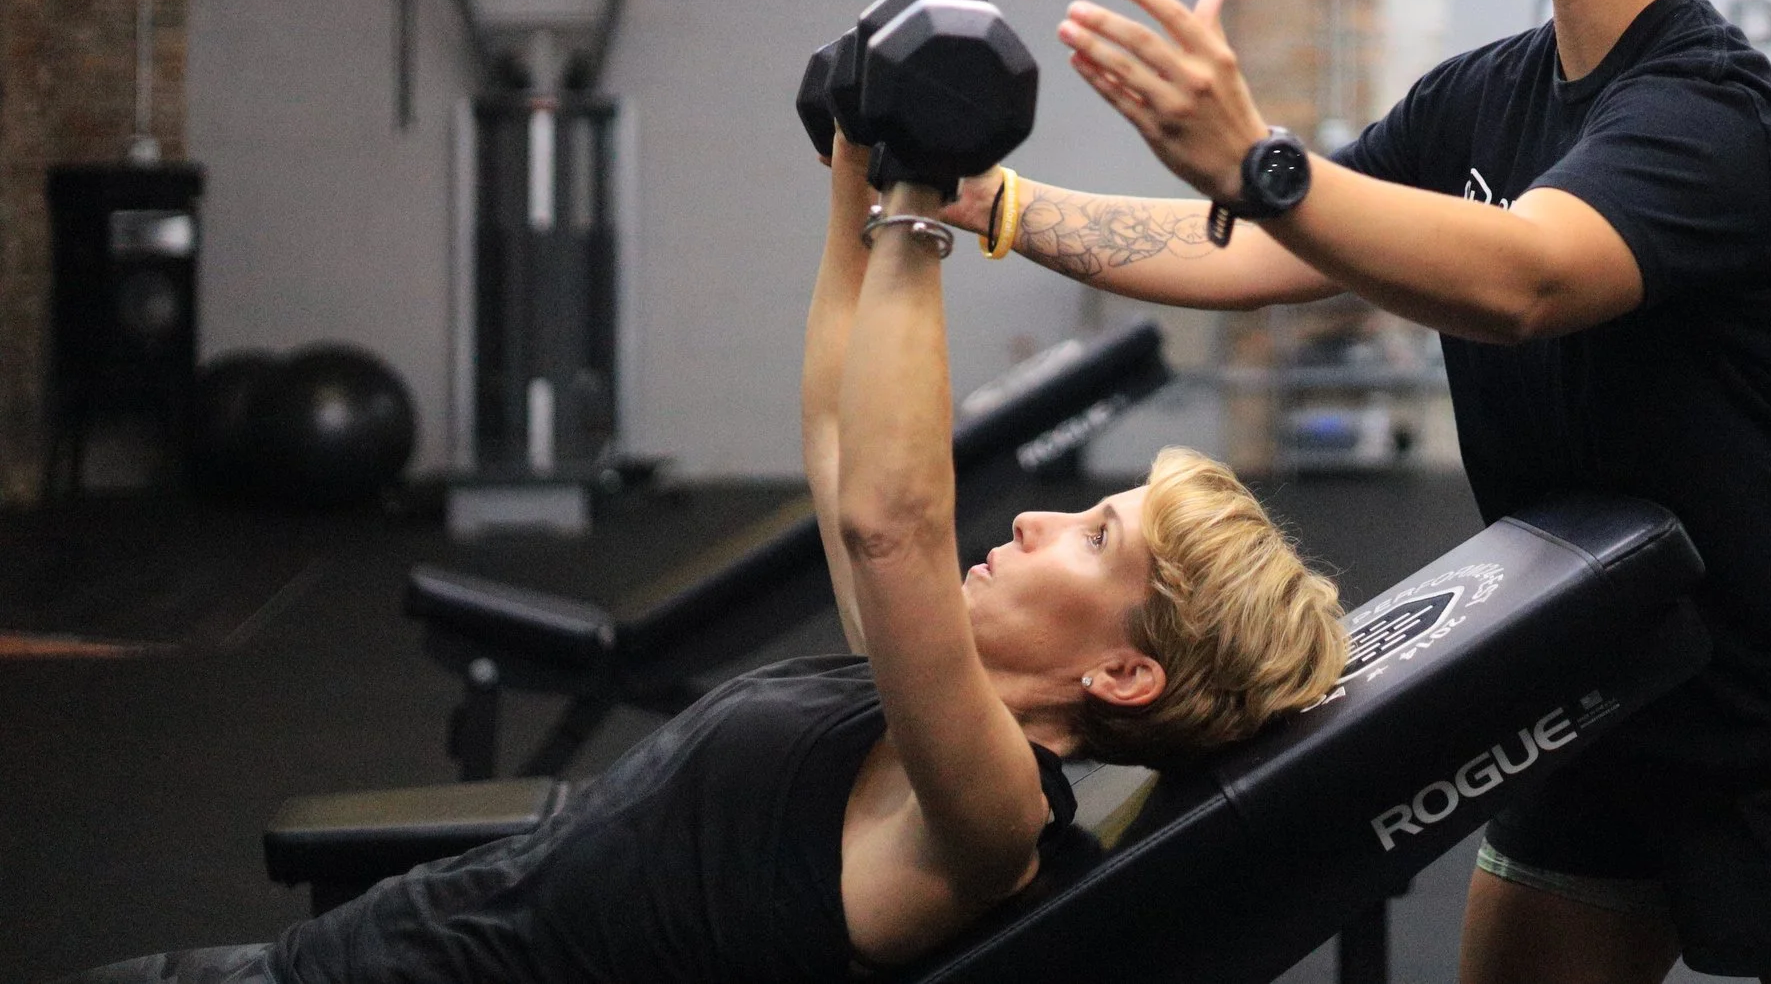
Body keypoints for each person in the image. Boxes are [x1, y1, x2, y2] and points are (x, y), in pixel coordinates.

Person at [935, 0, 1771, 984]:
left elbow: (1524, 276)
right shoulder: (1482, 95)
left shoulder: (1707, 111)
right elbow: (1263, 242)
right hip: (1597, 654)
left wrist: (1265, 159)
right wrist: (991, 200)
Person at [66, 133, 1346, 984]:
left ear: (1125, 675)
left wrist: (922, 225)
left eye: (1092, 532)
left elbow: (891, 524)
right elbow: (846, 448)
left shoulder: (989, 810)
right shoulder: (912, 697)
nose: (1031, 522)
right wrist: (864, 170)